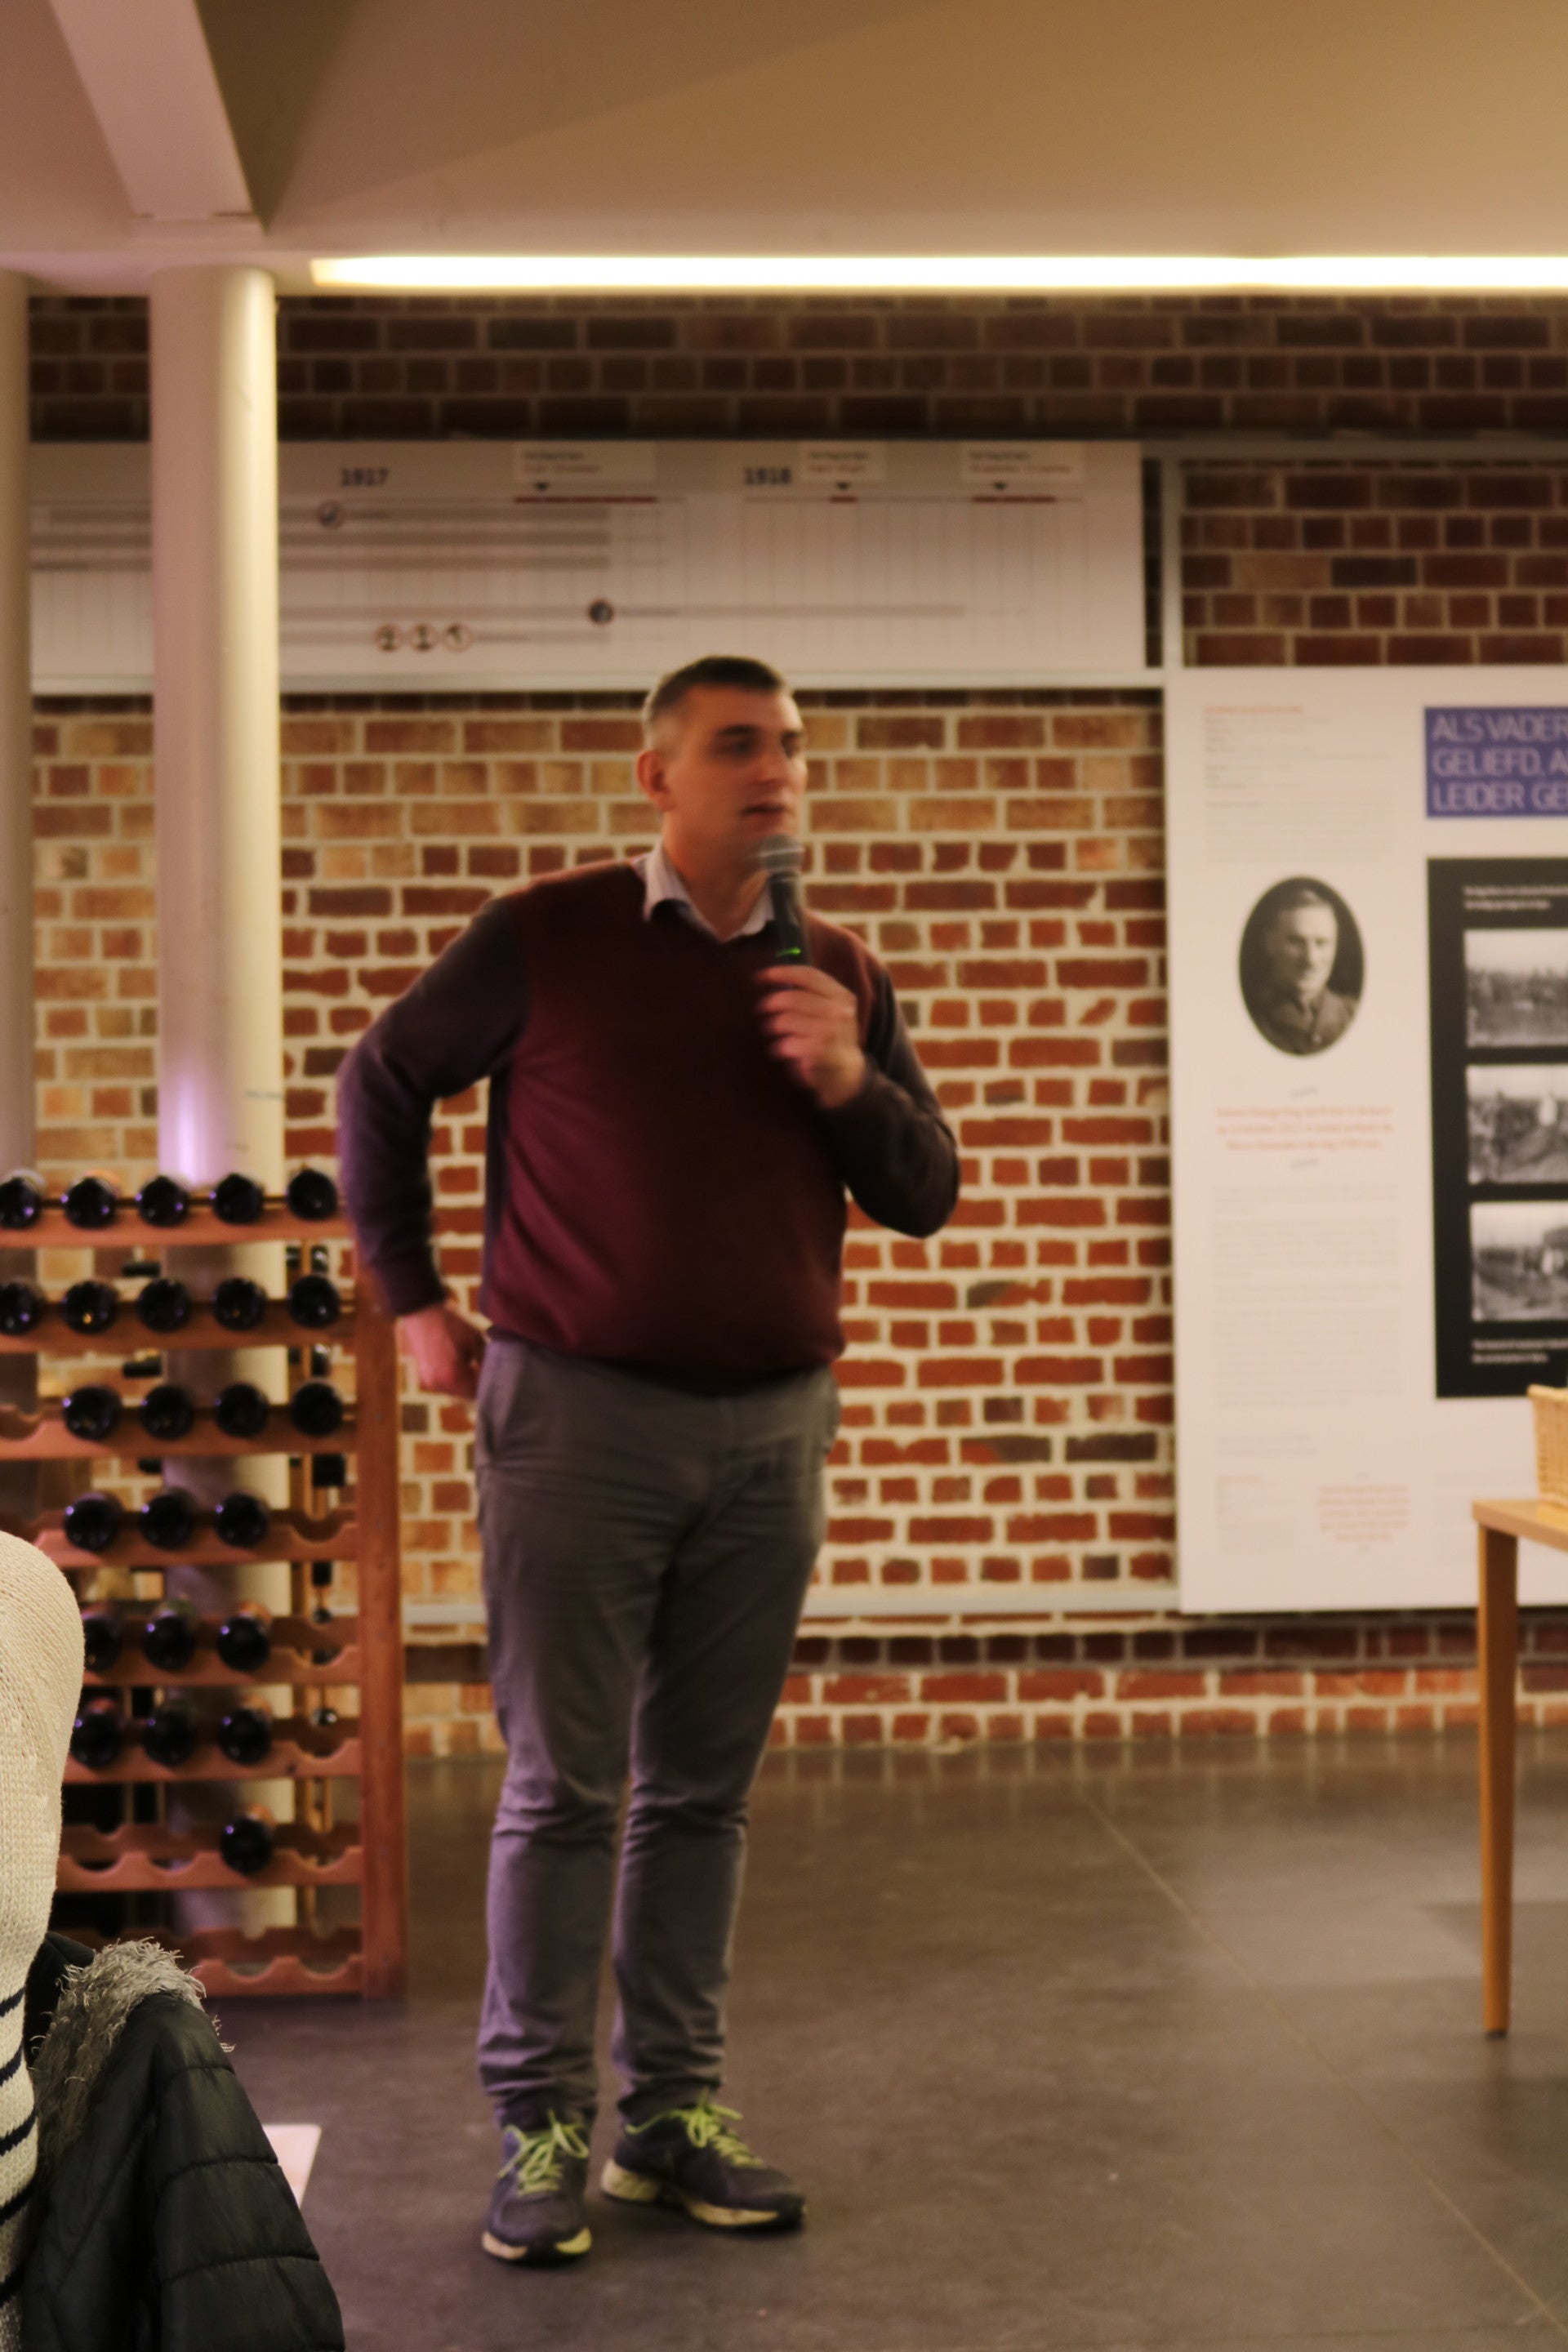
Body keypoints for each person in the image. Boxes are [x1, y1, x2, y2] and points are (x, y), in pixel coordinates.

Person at [337, 653, 959, 2269]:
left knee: (702, 1795)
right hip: (576, 1421)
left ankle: (671, 2118)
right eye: (740, 745)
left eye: (793, 745)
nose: (779, 771)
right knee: (564, 1790)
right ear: (658, 777)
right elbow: (381, 1078)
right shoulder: (549, 938)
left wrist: (851, 1082)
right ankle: (541, 2127)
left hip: (772, 1432)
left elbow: (926, 1192)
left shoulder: (839, 970)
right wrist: (412, 1301)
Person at [1247, 884, 1358, 1055]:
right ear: (1270, 943)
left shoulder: (1352, 1013)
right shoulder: (1250, 1016)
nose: (1311, 960)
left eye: (1322, 943)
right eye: (1296, 942)